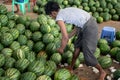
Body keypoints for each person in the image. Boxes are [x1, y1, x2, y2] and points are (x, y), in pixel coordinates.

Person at [44, 1, 106, 80]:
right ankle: (71, 67)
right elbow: (76, 28)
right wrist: (68, 37)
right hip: (83, 25)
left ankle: (102, 71)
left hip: (90, 26)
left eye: (50, 15)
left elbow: (65, 37)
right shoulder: (65, 10)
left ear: (53, 13)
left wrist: (61, 49)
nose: (51, 17)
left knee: (88, 55)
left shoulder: (59, 18)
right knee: (77, 47)